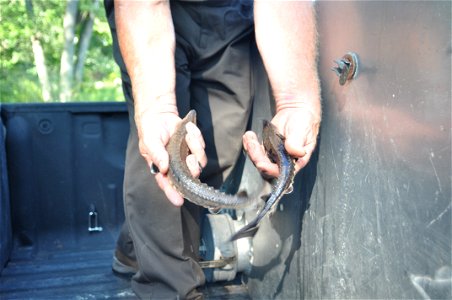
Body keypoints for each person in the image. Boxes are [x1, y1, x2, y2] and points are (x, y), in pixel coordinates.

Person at [104, 0, 321, 299]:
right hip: (150, 10)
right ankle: (171, 289)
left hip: (230, 10)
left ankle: (134, 246)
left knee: (217, 147)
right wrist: (158, 106)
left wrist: (294, 101)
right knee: (168, 148)